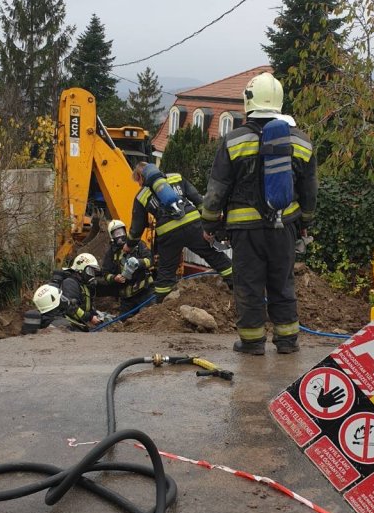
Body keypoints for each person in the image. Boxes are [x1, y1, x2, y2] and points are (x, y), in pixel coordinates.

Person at [201, 71, 317, 356]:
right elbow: (310, 191)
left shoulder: (233, 141)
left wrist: (209, 222)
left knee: (249, 285)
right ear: (278, 101)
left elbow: (217, 189)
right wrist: (304, 222)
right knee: (282, 282)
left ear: (248, 102)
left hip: (245, 231)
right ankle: (287, 341)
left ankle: (252, 343)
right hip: (285, 226)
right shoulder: (302, 142)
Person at [124, 161, 233, 303]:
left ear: (141, 176)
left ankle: (164, 307)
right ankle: (237, 285)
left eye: (138, 180)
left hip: (169, 235)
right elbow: (199, 200)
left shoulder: (141, 196)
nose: (139, 185)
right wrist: (209, 225)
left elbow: (136, 228)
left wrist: (129, 245)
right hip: (193, 225)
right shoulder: (176, 177)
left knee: (166, 272)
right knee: (214, 256)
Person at [26, 253, 107, 333]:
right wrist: (89, 318)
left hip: (77, 322)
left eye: (93, 272)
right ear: (81, 269)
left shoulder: (82, 284)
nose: (92, 275)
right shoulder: (70, 283)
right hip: (69, 323)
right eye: (90, 271)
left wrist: (94, 314)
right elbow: (71, 308)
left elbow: (85, 305)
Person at [100, 219, 155, 318]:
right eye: (116, 233)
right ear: (112, 236)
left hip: (144, 291)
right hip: (127, 298)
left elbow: (150, 260)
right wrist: (114, 278)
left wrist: (139, 262)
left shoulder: (138, 244)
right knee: (125, 322)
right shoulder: (111, 253)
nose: (120, 236)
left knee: (150, 317)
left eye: (121, 231)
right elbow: (105, 273)